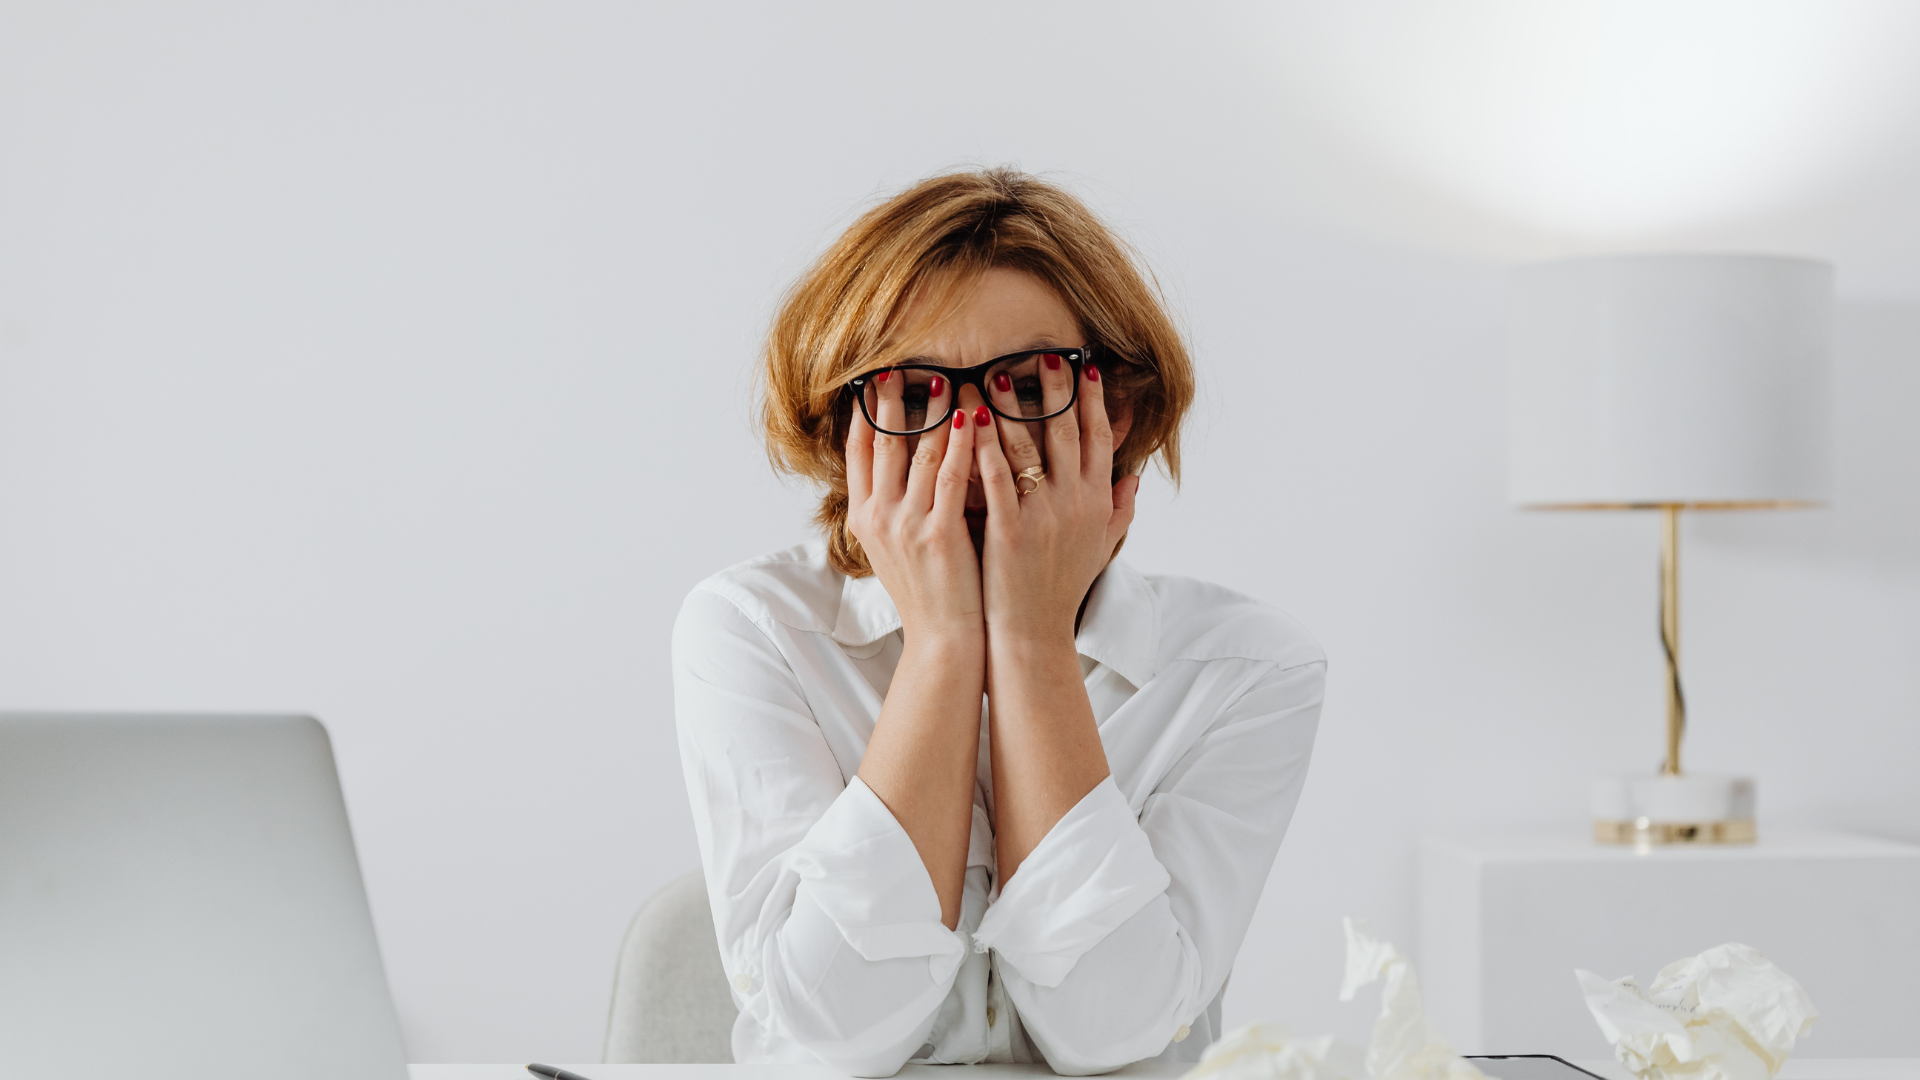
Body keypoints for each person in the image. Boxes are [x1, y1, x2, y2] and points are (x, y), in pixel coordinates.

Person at [673, 168, 1324, 1077]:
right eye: (914, 393)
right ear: (843, 423)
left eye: (1027, 385)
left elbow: (1110, 1033)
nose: (974, 441)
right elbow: (834, 1029)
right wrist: (943, 648)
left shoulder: (1247, 670)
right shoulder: (754, 630)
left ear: (1118, 411)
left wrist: (1028, 641)